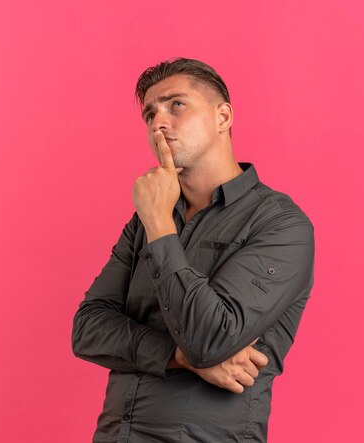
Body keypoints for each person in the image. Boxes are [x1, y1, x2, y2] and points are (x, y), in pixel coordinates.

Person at [71, 57, 315, 442]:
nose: (158, 123)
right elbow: (87, 329)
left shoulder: (280, 225)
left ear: (223, 117)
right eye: (150, 114)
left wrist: (160, 227)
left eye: (176, 105)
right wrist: (178, 355)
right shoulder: (150, 218)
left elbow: (210, 340)